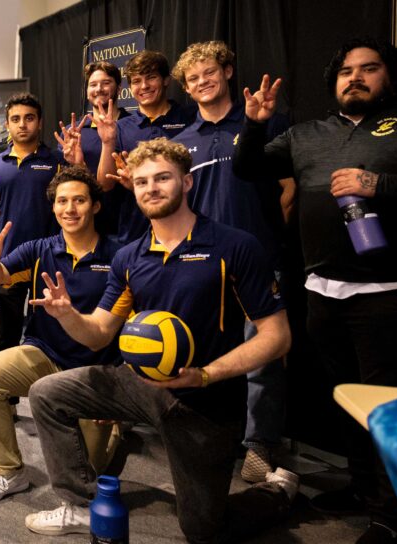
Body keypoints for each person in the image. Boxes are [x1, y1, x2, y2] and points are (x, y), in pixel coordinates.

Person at [23, 138, 298, 543]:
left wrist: (205, 375)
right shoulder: (129, 258)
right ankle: (78, 503)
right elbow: (99, 330)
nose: (151, 188)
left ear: (186, 182)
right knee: (47, 393)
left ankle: (277, 491)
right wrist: (66, 314)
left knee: (204, 530)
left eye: (162, 178)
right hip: (140, 384)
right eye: (141, 182)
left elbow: (278, 337)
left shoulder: (234, 246)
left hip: (205, 399)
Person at [234, 36, 397, 544]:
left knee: (384, 406)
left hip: (389, 292)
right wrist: (253, 124)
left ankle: (391, 513)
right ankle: (363, 491)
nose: (354, 77)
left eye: (368, 69)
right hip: (321, 290)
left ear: (390, 77)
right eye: (345, 72)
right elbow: (247, 168)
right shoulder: (306, 134)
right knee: (343, 400)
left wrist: (378, 184)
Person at [167, 40, 292, 485]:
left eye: (210, 73)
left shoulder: (267, 122)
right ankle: (206, 436)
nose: (203, 82)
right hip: (200, 265)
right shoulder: (179, 143)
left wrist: (266, 237)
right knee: (201, 353)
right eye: (194, 78)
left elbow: (289, 188)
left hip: (258, 262)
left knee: (263, 359)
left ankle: (260, 445)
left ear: (228, 73)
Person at [0, 164, 121, 506]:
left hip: (95, 371)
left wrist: (119, 391)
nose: (70, 209)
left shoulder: (119, 255)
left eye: (79, 200)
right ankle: (8, 471)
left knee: (88, 477)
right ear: (52, 208)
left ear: (95, 205)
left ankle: (115, 430)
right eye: (62, 201)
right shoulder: (40, 249)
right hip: (45, 356)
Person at [0, 92, 69, 350]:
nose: (22, 124)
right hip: (8, 261)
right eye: (15, 119)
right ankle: (8, 391)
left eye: (29, 118)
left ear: (39, 122)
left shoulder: (57, 161)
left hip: (48, 260)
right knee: (7, 337)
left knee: (49, 334)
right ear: (7, 124)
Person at [95, 50, 197, 244]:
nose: (144, 86)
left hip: (188, 231)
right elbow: (105, 185)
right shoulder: (120, 127)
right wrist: (108, 142)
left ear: (166, 80)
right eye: (136, 81)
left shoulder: (191, 118)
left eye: (151, 78)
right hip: (136, 235)